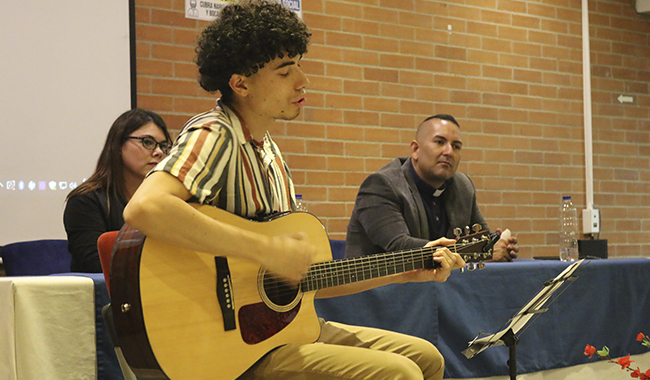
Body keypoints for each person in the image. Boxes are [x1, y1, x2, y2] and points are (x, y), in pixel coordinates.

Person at [123, 2, 465, 379]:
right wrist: (264, 249)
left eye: (299, 65)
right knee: (399, 373)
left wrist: (404, 271)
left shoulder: (268, 152)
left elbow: (309, 283)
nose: (303, 80)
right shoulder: (216, 133)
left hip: (279, 332)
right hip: (235, 349)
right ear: (241, 84)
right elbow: (145, 208)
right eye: (286, 71)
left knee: (426, 357)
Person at [345, 114, 519, 261]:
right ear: (415, 149)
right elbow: (400, 248)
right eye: (439, 142)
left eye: (456, 146)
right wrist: (480, 251)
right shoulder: (381, 185)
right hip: (378, 293)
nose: (448, 151)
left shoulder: (463, 185)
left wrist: (498, 244)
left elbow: (482, 237)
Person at [63, 109, 171, 273]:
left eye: (163, 146)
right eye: (148, 142)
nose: (159, 152)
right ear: (119, 145)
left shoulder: (165, 200)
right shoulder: (85, 201)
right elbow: (95, 265)